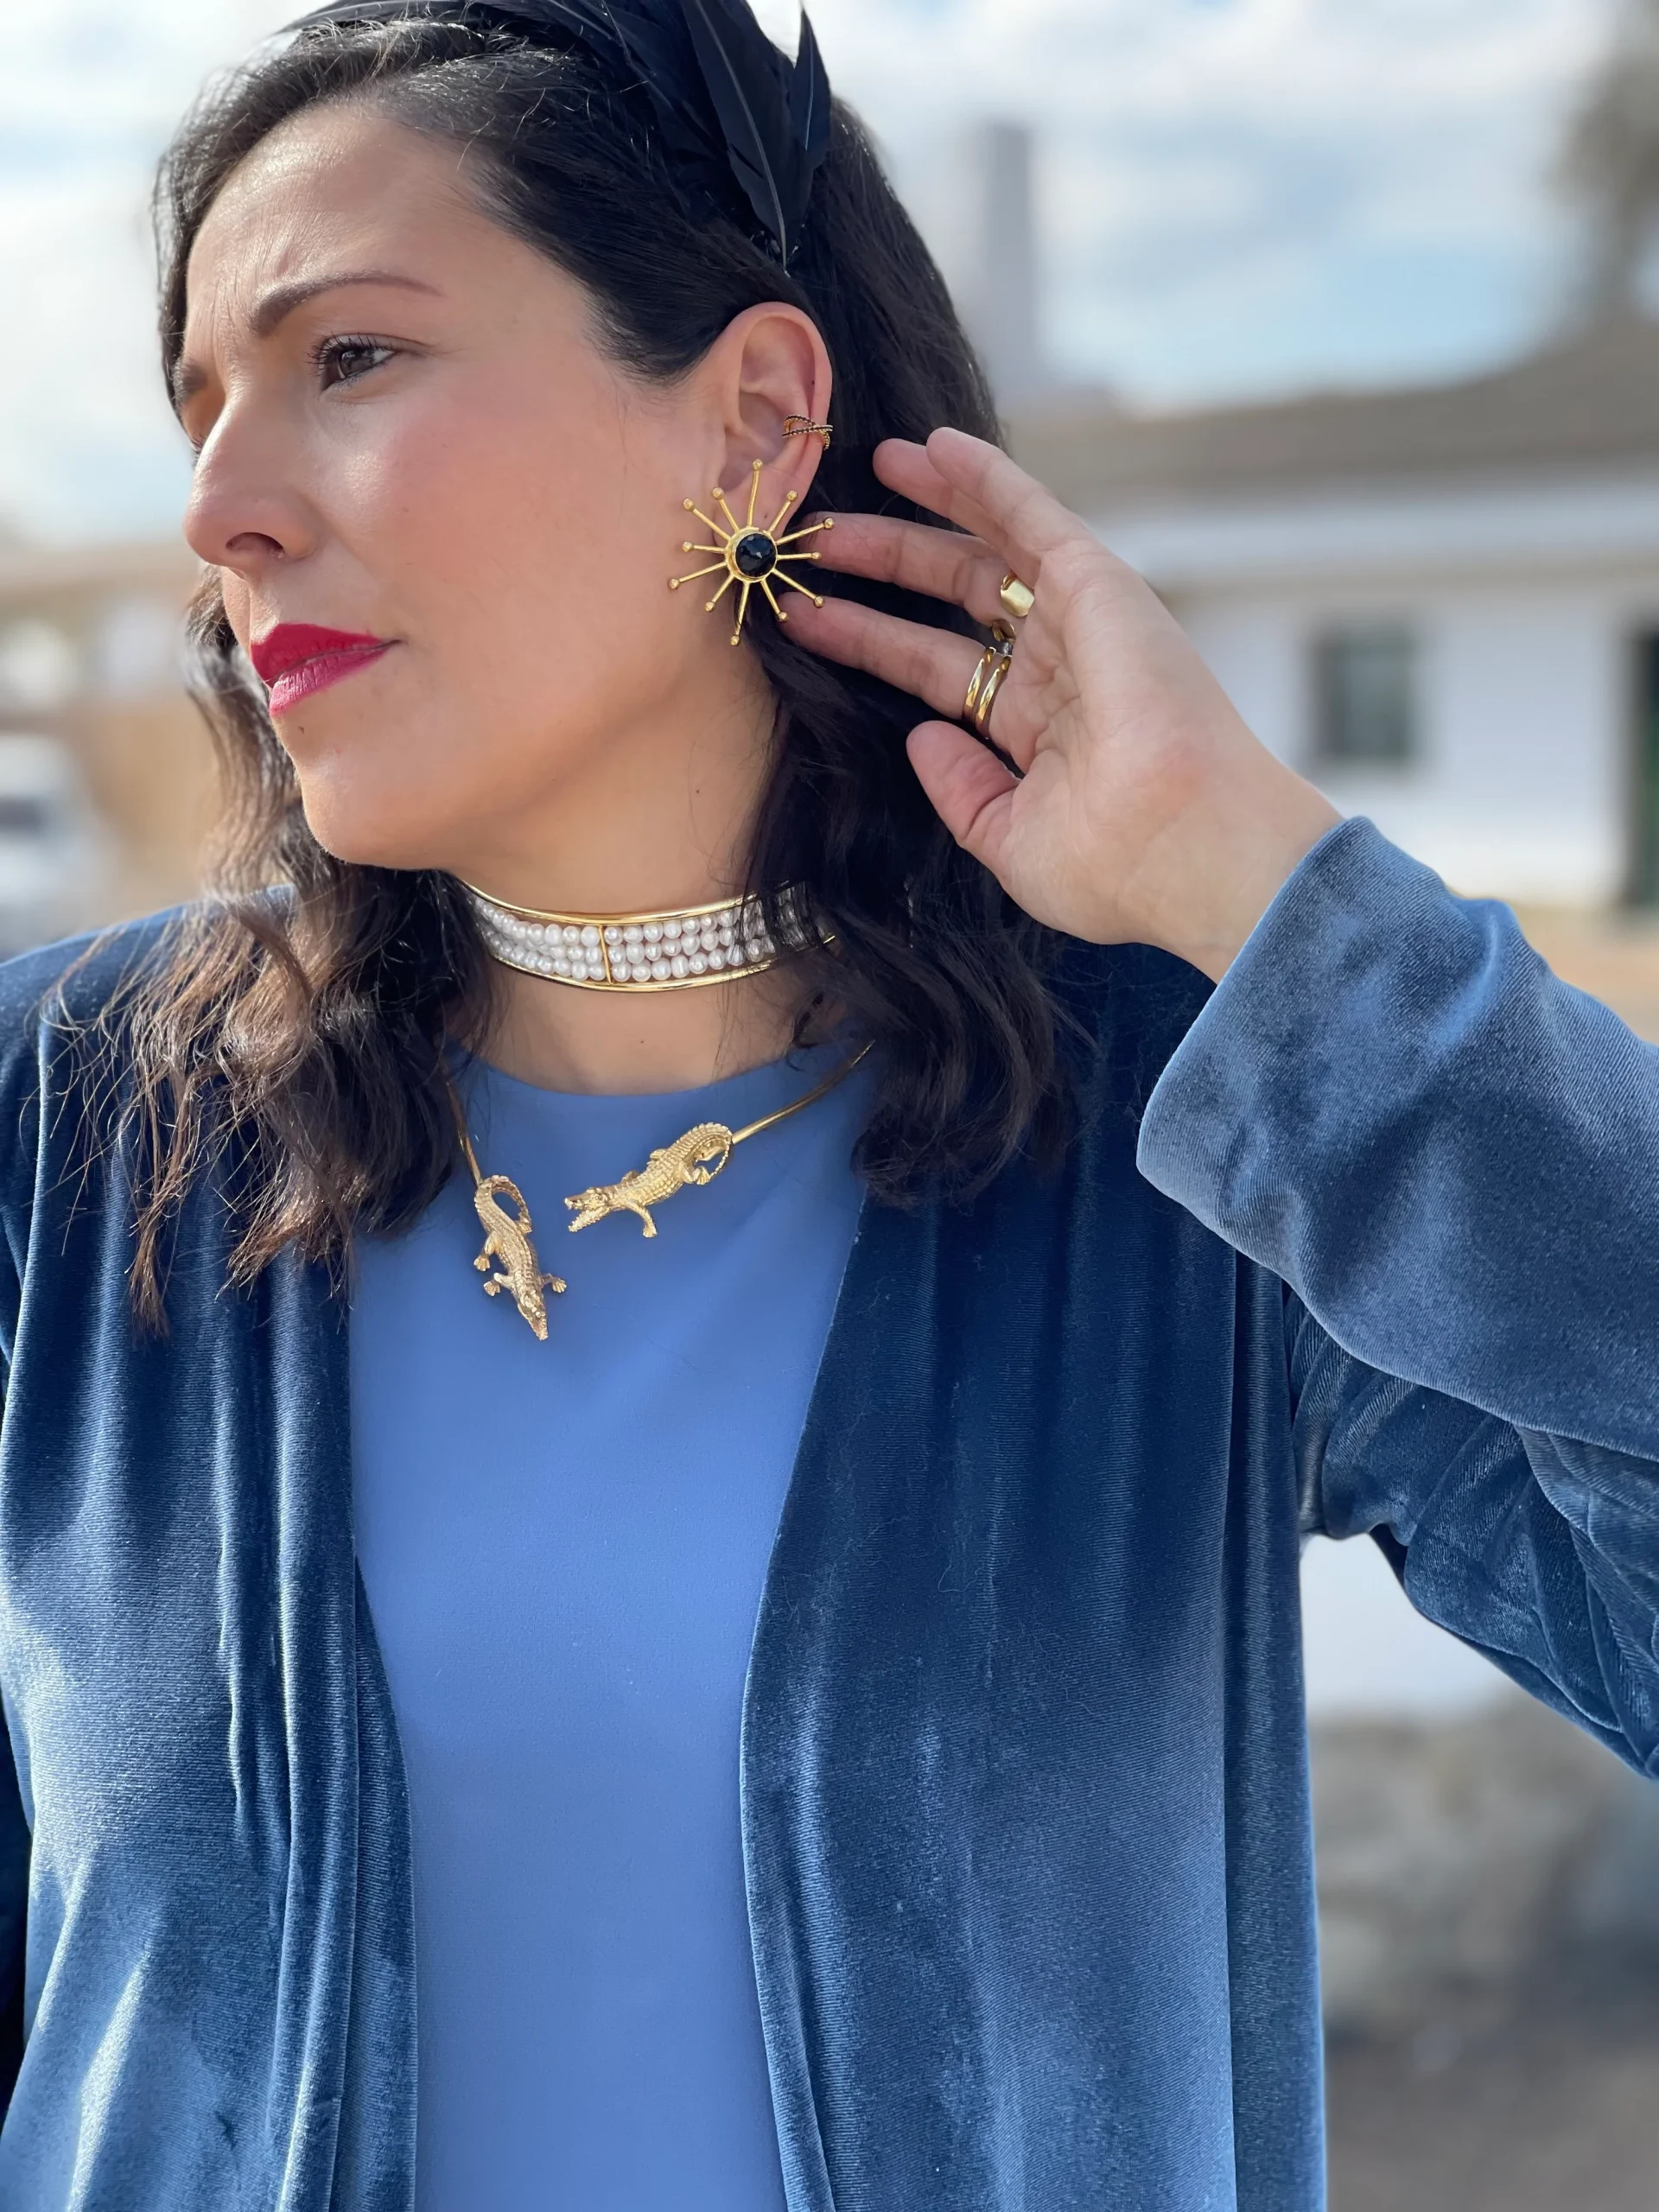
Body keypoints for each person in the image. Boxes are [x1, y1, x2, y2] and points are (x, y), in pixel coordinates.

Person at [0, 2, 1652, 2207]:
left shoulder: (1184, 1125)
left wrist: (1263, 892)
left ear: (758, 421)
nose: (222, 508)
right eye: (199, 406)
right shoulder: (75, 1128)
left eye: (351, 359)